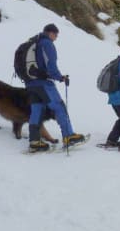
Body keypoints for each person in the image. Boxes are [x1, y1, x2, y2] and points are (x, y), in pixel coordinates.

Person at [27, 23, 86, 152]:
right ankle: (69, 136)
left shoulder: (34, 43)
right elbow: (51, 64)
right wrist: (60, 77)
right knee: (59, 106)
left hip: (31, 83)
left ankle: (34, 141)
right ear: (50, 33)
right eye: (56, 34)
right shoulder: (47, 43)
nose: (56, 37)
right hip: (43, 83)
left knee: (36, 109)